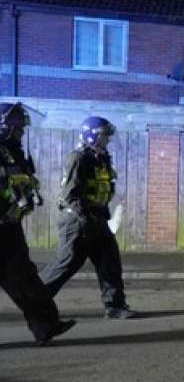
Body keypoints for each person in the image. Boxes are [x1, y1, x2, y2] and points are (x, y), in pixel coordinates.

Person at [39, 117, 135, 319]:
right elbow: (68, 195)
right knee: (66, 264)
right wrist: (85, 219)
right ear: (92, 135)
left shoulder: (102, 158)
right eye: (103, 136)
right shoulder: (78, 157)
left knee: (109, 262)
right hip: (77, 221)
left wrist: (100, 217)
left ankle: (115, 306)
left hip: (98, 218)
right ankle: (35, 303)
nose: (107, 140)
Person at [0, 102, 75, 346]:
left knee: (25, 278)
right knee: (22, 277)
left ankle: (46, 326)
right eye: (17, 126)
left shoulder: (12, 151)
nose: (22, 130)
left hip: (8, 228)